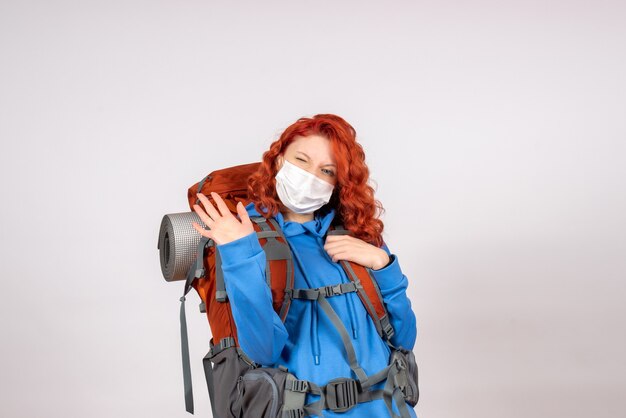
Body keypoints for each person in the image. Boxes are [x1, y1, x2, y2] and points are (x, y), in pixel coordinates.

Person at [191, 114, 418, 417]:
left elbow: (404, 338)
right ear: (278, 159)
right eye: (301, 160)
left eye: (326, 170)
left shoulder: (356, 236)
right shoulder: (242, 236)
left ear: (339, 183)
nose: (311, 176)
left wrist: (382, 263)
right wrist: (238, 252)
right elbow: (262, 352)